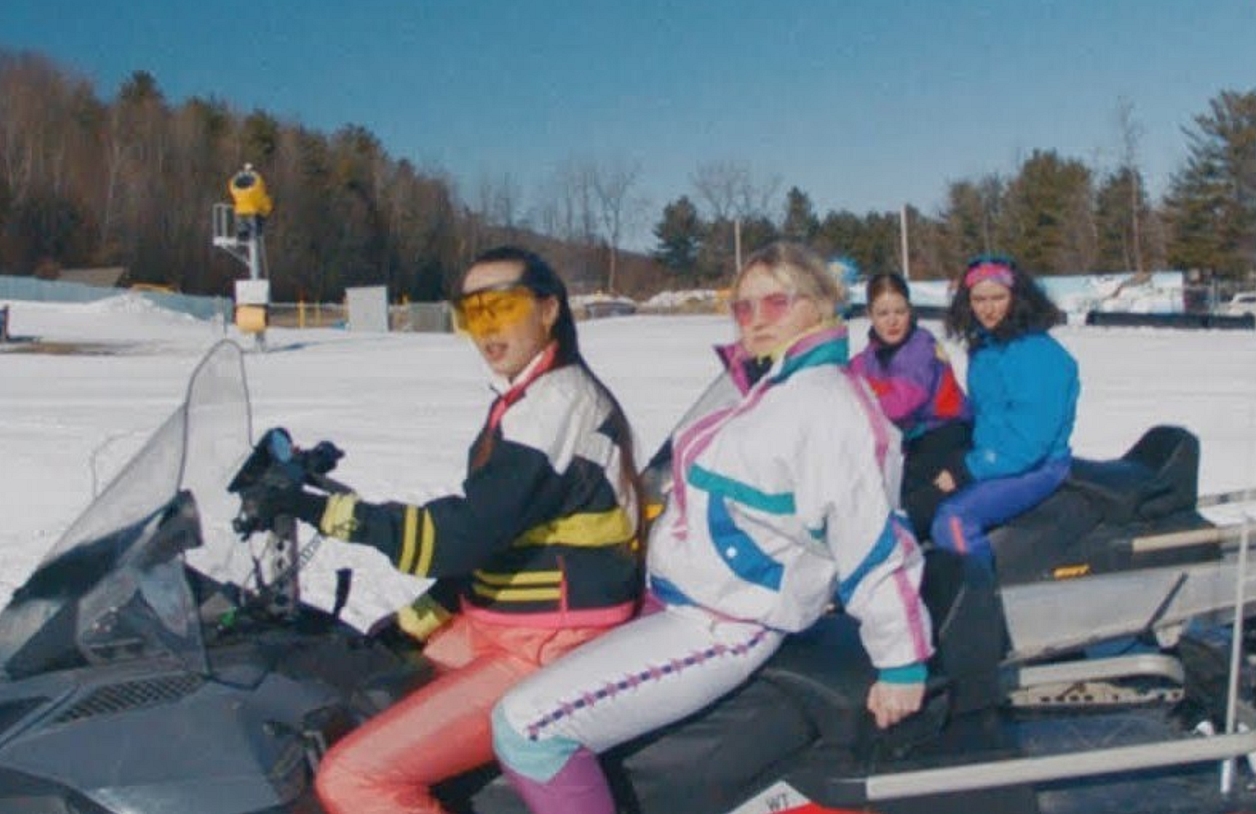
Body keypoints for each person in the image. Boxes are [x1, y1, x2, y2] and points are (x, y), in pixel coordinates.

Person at [490, 241, 933, 814]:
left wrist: (901, 661)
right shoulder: (774, 387)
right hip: (683, 600)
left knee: (527, 729)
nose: (755, 320)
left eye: (775, 302)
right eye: (742, 307)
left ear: (822, 303)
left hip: (724, 623)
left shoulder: (829, 407)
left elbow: (873, 539)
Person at [250, 246, 643, 814]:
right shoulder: (528, 398)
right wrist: (419, 617)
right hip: (509, 624)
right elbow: (503, 538)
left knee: (355, 777)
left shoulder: (559, 405)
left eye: (502, 307)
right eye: (472, 314)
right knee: (364, 688)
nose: (488, 329)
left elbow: (462, 535)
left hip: (549, 645)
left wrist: (328, 513)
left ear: (549, 308)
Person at [931, 254, 1079, 565]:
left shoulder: (1036, 353)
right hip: (999, 459)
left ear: (1017, 297)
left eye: (998, 297)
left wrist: (968, 468)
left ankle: (981, 606)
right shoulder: (986, 347)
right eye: (979, 299)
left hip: (1039, 466)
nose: (988, 308)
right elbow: (987, 414)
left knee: (953, 520)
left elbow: (1029, 441)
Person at [850, 272, 973, 541]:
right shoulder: (869, 356)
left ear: (910, 310)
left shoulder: (921, 347)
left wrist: (859, 402)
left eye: (900, 311)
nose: (892, 321)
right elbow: (842, 383)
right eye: (883, 313)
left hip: (945, 435)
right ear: (870, 314)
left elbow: (901, 404)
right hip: (907, 442)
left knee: (911, 508)